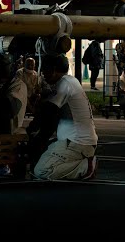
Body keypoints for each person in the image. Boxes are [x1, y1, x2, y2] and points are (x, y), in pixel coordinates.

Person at [28, 53, 98, 181]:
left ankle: (84, 167)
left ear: (53, 70)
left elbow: (49, 111)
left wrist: (33, 128)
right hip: (77, 142)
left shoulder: (65, 83)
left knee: (41, 171)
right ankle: (81, 162)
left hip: (76, 143)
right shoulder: (70, 81)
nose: (43, 73)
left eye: (45, 69)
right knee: (37, 159)